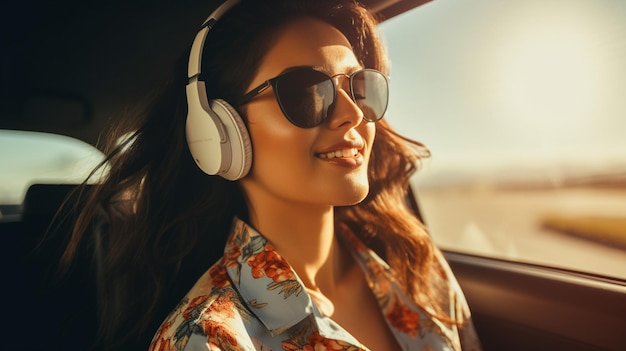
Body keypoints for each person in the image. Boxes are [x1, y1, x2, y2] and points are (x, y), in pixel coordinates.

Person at [64, 0, 482, 350]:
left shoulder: (415, 265)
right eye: (306, 92)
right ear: (219, 132)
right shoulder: (208, 340)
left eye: (360, 87)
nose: (353, 114)